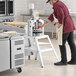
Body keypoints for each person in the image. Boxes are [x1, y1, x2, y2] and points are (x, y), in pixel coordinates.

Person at [38, 0, 76, 66]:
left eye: (49, 2)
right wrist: (43, 24)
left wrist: (60, 23)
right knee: (71, 43)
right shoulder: (59, 3)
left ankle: (64, 61)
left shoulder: (56, 5)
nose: (50, 3)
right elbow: (53, 15)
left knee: (61, 43)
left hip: (65, 26)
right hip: (70, 24)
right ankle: (74, 60)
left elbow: (61, 15)